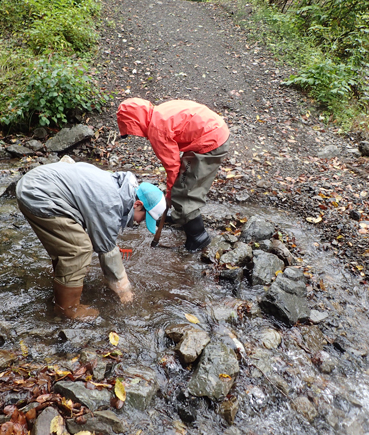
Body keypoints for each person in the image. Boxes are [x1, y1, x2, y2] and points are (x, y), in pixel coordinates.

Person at [15, 160, 166, 319]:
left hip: (38, 185)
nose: (140, 222)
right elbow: (107, 252)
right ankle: (68, 309)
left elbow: (98, 225)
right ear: (137, 204)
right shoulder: (112, 202)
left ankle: (63, 282)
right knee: (78, 249)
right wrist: (125, 291)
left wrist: (108, 242)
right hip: (37, 194)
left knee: (71, 241)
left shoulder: (118, 187)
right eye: (144, 217)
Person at [116, 98, 230, 251]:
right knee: (181, 184)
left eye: (130, 130)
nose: (135, 135)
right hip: (213, 132)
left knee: (184, 191)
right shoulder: (158, 113)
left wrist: (170, 194)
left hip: (210, 142)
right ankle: (182, 218)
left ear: (135, 122)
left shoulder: (156, 129)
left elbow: (172, 166)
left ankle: (198, 237)